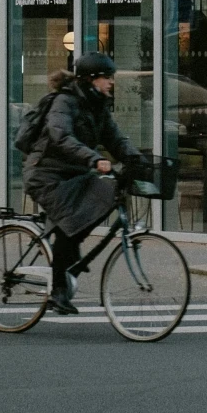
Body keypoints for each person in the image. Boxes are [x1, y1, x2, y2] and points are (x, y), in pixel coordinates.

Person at [23, 51, 140, 314]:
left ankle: (69, 255)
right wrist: (94, 159)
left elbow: (116, 139)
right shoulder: (65, 101)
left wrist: (138, 160)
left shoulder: (98, 107)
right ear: (90, 80)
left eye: (112, 78)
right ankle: (58, 291)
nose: (111, 82)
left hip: (75, 174)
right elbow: (60, 135)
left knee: (105, 195)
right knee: (68, 225)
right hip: (45, 174)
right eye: (106, 78)